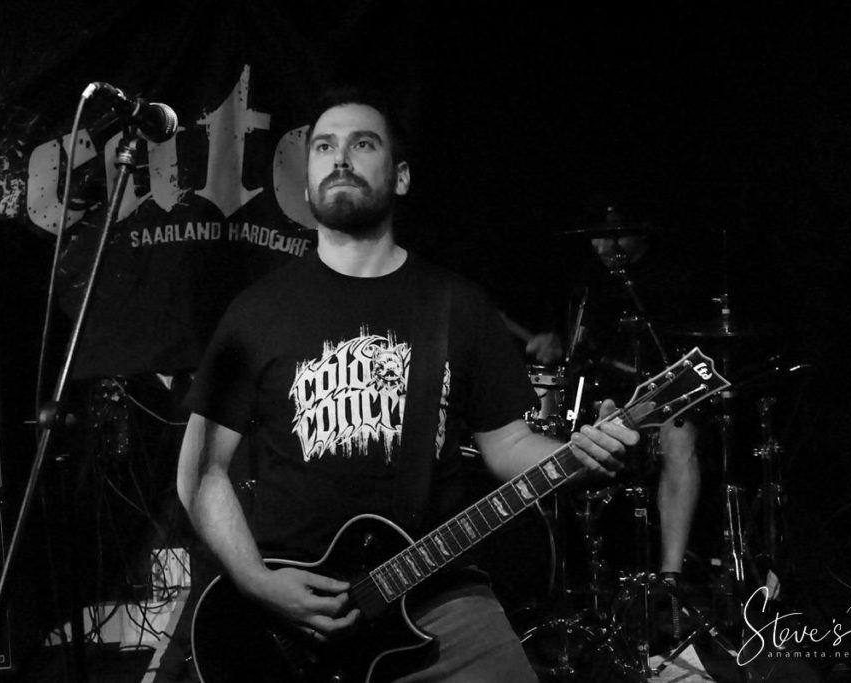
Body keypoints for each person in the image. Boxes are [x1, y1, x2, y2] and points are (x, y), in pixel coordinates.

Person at [176, 86, 642, 681]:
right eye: (324, 147)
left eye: (362, 144)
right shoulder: (256, 313)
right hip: (287, 609)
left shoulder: (456, 305)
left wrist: (578, 458)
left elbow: (508, 444)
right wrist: (255, 581)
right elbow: (201, 473)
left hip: (439, 592)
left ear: (400, 178)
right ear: (306, 181)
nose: (340, 158)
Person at [526, 210, 709, 579]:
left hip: (654, 402)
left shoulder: (670, 283)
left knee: (680, 436)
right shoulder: (584, 284)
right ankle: (554, 571)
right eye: (598, 237)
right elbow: (574, 356)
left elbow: (682, 366)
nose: (606, 247)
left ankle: (670, 576)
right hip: (594, 401)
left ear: (642, 235)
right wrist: (555, 345)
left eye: (617, 236)